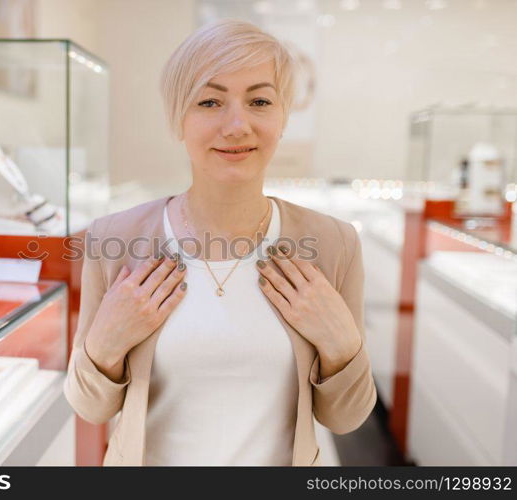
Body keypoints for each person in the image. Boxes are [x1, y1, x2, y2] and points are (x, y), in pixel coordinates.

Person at [64, 18, 376, 466]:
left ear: (283, 117)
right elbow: (89, 406)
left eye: (260, 101)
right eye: (210, 101)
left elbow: (346, 418)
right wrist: (106, 343)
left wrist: (342, 343)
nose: (236, 125)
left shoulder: (332, 243)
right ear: (178, 119)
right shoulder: (116, 239)